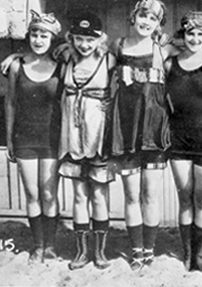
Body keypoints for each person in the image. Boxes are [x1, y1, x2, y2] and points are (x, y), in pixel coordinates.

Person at [109, 0, 178, 271]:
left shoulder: (163, 48)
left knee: (151, 193)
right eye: (143, 15)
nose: (146, 21)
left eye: (154, 18)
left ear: (159, 23)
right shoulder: (118, 45)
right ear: (133, 16)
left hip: (154, 129)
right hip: (126, 129)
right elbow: (90, 55)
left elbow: (190, 56)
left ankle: (149, 249)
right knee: (131, 195)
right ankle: (136, 249)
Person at [56, 12, 117, 270]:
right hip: (72, 136)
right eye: (79, 39)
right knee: (79, 195)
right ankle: (81, 252)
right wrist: (15, 55)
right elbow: (38, 55)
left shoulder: (109, 61)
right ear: (72, 38)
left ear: (100, 39)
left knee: (99, 195)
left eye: (89, 40)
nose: (84, 45)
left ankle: (100, 253)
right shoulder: (66, 58)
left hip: (98, 136)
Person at [164, 11, 202, 272]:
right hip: (178, 136)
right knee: (185, 198)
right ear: (183, 35)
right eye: (190, 33)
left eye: (200, 34)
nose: (195, 38)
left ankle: (199, 256)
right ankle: (186, 255)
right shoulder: (170, 64)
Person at [3, 10, 62, 265]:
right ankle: (37, 246)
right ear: (29, 37)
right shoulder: (17, 66)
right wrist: (10, 139)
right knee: (32, 194)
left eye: (44, 35)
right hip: (25, 137)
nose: (39, 40)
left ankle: (50, 245)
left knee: (49, 193)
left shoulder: (61, 66)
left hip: (52, 138)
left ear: (52, 39)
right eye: (35, 34)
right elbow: (11, 104)